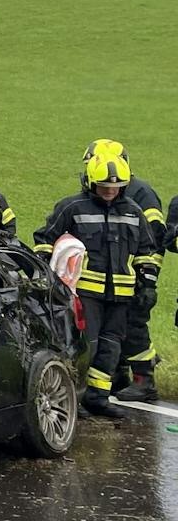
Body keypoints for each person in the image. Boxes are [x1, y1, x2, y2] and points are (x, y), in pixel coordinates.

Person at [34, 151, 161, 419]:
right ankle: (74, 398)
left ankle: (97, 397)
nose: (109, 192)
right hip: (86, 292)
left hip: (122, 294)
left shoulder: (134, 212)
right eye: (104, 187)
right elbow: (45, 239)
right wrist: (48, 274)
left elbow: (146, 251)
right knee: (85, 345)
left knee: (110, 347)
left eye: (115, 188)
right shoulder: (72, 207)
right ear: (90, 182)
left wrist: (147, 285)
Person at [83, 140, 164, 402]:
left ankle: (144, 380)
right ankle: (118, 376)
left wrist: (146, 281)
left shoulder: (141, 193)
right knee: (112, 329)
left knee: (133, 325)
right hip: (112, 273)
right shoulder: (100, 190)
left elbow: (151, 238)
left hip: (132, 272)